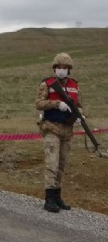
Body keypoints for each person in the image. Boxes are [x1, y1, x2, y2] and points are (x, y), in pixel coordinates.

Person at [35, 52, 81, 213]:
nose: (62, 70)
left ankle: (58, 196)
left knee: (62, 164)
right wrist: (56, 104)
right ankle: (49, 199)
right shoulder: (47, 84)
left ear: (69, 70)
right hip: (51, 128)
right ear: (55, 68)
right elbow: (39, 103)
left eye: (65, 68)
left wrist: (79, 115)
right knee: (52, 164)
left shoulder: (75, 85)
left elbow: (79, 103)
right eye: (59, 67)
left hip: (67, 130)